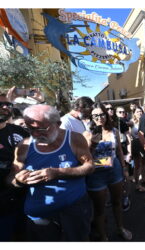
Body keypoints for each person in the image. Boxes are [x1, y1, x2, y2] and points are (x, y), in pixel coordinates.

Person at [8, 104, 94, 241]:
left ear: (58, 124)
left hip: (74, 211)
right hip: (39, 217)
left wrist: (57, 172)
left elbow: (89, 166)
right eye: (30, 129)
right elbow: (11, 179)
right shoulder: (23, 146)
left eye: (41, 129)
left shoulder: (75, 139)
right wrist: (18, 181)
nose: (35, 134)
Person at [83, 102, 132, 241]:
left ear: (106, 114)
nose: (99, 118)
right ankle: (104, 237)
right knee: (99, 209)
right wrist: (92, 144)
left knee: (117, 201)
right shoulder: (87, 134)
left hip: (114, 170)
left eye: (102, 114)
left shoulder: (114, 131)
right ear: (91, 117)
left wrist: (124, 169)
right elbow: (85, 158)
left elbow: (119, 151)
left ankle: (120, 228)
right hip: (96, 175)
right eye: (95, 115)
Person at [0, 93, 30, 241]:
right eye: (0, 105)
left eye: (8, 104)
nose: (5, 107)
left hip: (22, 197)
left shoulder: (18, 131)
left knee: (22, 235)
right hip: (2, 203)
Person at [129, 106, 145, 192]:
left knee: (144, 163)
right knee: (137, 165)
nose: (139, 113)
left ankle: (143, 178)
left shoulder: (144, 121)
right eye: (137, 111)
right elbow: (127, 134)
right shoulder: (131, 122)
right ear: (134, 113)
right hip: (135, 143)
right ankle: (137, 184)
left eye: (140, 111)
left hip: (144, 143)